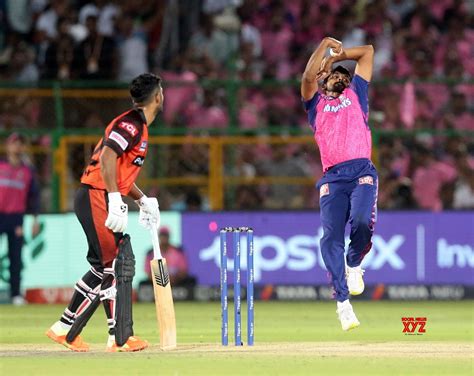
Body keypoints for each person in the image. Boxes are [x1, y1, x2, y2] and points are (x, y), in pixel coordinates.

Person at [46, 73, 164, 352]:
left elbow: (120, 171)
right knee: (112, 265)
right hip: (96, 195)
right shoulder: (131, 123)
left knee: (102, 267)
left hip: (96, 194)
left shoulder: (138, 126)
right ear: (158, 97)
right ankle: (117, 337)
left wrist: (143, 200)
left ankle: (64, 328)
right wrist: (113, 197)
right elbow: (108, 157)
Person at [301, 37, 376, 331]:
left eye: (344, 75)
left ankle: (354, 262)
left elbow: (367, 53)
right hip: (332, 176)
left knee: (360, 221)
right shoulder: (314, 104)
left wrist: (336, 59)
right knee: (331, 237)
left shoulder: (357, 92)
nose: (340, 77)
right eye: (335, 74)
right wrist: (322, 47)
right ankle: (343, 304)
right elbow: (308, 77)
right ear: (323, 81)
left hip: (361, 170)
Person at [0, 133, 40, 305]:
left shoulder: (27, 171)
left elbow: (34, 196)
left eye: (20, 144)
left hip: (16, 218)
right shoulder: (1, 165)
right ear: (7, 146)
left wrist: (35, 219)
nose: (17, 147)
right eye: (14, 143)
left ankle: (16, 294)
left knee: (15, 258)